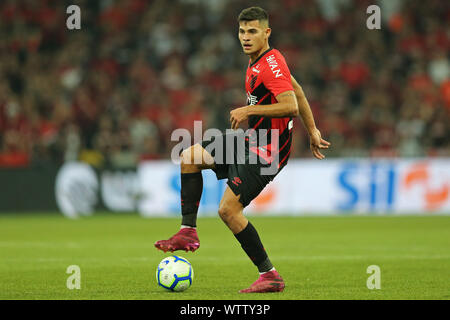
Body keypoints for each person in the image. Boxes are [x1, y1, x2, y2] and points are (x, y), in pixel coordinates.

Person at [155, 6, 330, 293]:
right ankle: (188, 231)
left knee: (228, 211)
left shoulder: (270, 64)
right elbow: (297, 91)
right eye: (242, 31)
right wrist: (312, 130)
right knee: (189, 157)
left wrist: (250, 109)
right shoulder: (261, 61)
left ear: (266, 32)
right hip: (251, 140)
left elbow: (290, 105)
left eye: (252, 31)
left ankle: (270, 275)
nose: (246, 37)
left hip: (267, 153)